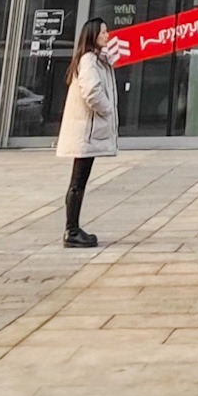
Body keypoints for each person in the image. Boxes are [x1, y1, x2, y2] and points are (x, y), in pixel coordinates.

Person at [56, 16, 117, 248]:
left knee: (79, 180)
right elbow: (92, 91)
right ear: (93, 35)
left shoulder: (94, 59)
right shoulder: (89, 60)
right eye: (103, 32)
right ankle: (71, 230)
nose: (107, 35)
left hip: (86, 131)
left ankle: (72, 228)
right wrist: (107, 109)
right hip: (86, 132)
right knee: (78, 181)